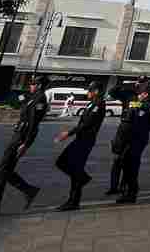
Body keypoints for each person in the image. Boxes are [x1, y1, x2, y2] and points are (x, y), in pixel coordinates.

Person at [0, 76, 49, 218]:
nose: (30, 86)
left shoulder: (40, 99)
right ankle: (28, 190)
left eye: (33, 84)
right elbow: (20, 104)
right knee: (4, 170)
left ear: (39, 85)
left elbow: (33, 124)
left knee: (2, 170)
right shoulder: (33, 97)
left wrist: (26, 144)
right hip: (18, 134)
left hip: (21, 138)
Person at [53, 81, 106, 211]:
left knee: (71, 166)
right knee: (66, 164)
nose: (87, 93)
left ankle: (74, 199)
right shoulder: (92, 103)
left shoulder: (99, 104)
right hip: (81, 138)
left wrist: (68, 133)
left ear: (96, 91)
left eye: (90, 90)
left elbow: (87, 123)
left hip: (86, 140)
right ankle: (81, 180)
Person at [106, 82, 150, 202]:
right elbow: (113, 92)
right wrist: (125, 84)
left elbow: (140, 119)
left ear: (146, 94)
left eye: (141, 91)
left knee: (131, 168)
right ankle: (125, 191)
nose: (139, 93)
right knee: (125, 166)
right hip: (126, 140)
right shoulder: (132, 100)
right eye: (139, 90)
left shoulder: (147, 105)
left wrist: (134, 102)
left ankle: (130, 193)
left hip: (135, 141)